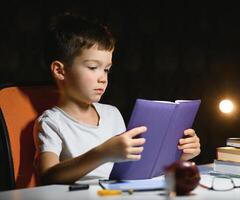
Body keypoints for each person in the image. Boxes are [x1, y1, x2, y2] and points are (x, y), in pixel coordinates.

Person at [34, 13, 201, 185]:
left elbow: (134, 168)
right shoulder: (52, 121)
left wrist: (181, 155)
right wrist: (102, 153)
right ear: (60, 71)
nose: (103, 78)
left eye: (106, 69)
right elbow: (48, 176)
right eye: (93, 67)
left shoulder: (112, 114)